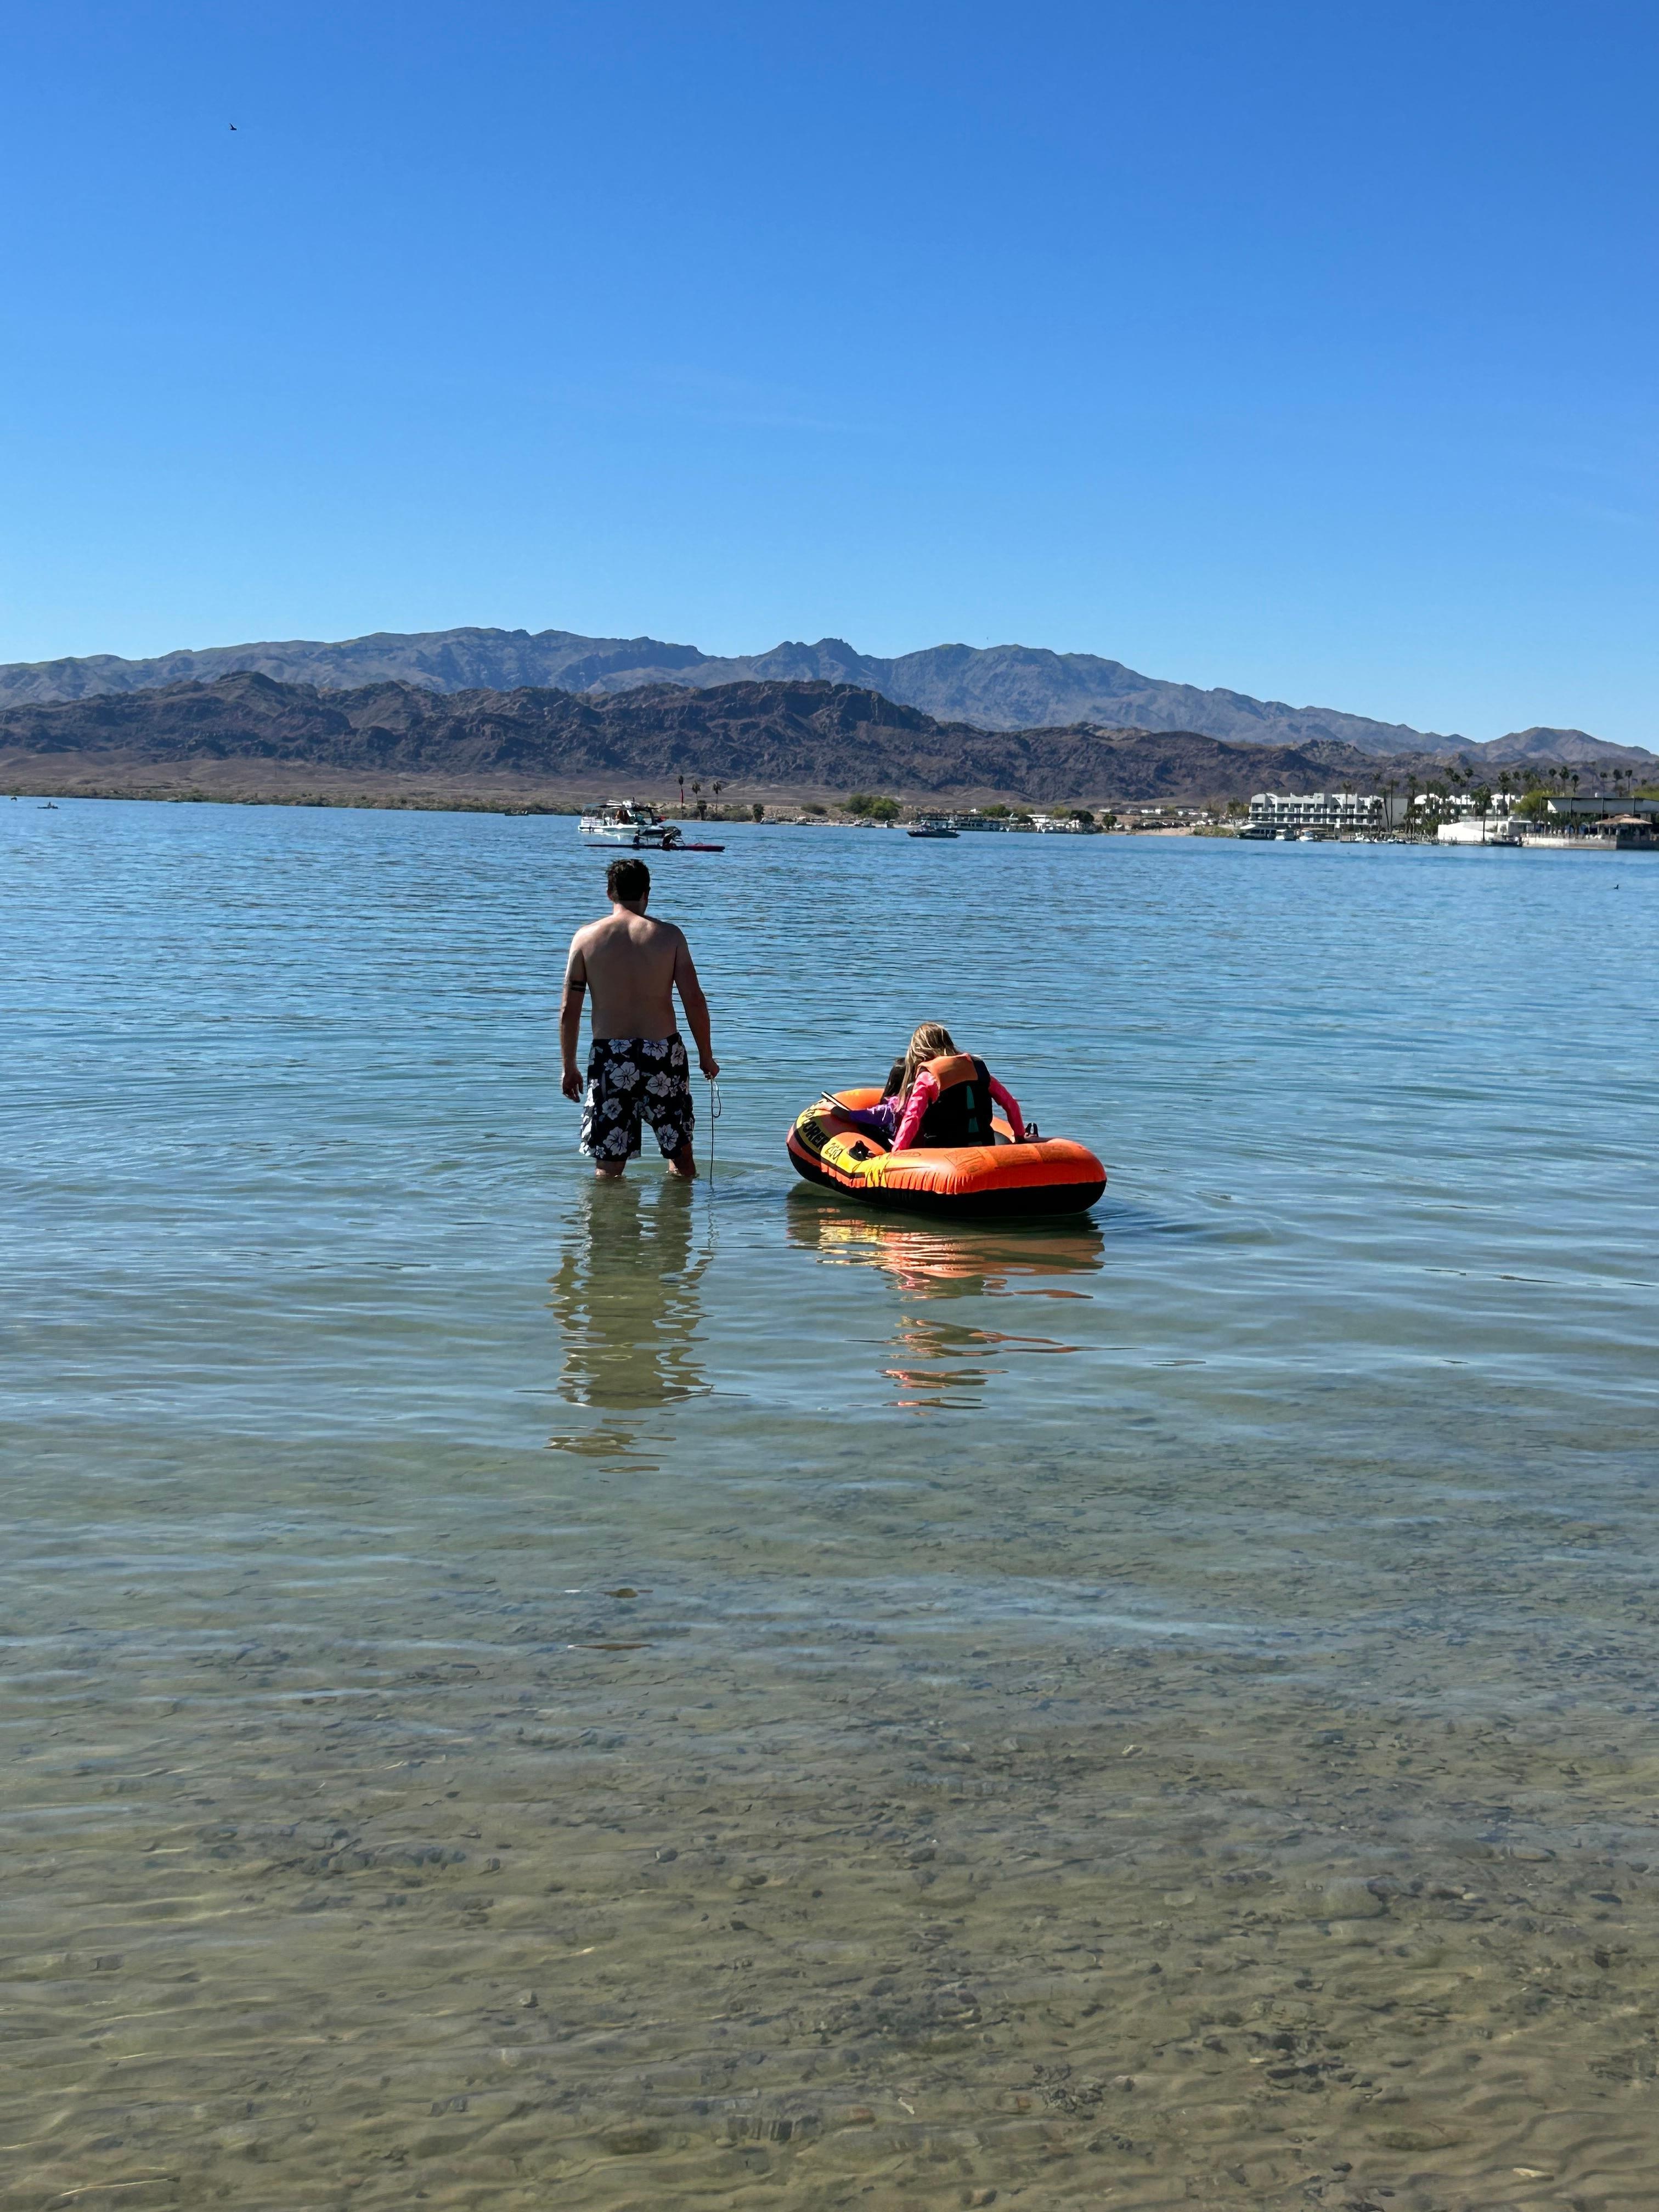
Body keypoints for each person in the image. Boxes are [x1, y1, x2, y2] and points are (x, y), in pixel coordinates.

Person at [560, 856, 719, 1179]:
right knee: (681, 1159)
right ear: (647, 893)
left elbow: (569, 1010)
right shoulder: (669, 937)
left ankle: (608, 1226)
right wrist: (706, 1056)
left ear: (609, 893)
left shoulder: (586, 939)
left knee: (608, 1165)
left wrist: (569, 1067)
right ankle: (676, 1225)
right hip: (663, 1055)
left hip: (610, 1057)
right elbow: (694, 1000)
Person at [887, 1022, 1029, 1151]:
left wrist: (897, 1151)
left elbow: (912, 1117)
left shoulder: (928, 1076)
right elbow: (1010, 1104)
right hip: (985, 1146)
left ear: (920, 1052)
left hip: (945, 1154)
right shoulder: (976, 1068)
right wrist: (1020, 1136)